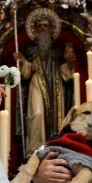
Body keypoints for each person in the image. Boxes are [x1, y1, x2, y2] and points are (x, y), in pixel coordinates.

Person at [14, 10, 76, 156]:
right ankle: (35, 151)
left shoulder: (57, 52)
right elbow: (27, 73)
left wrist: (70, 63)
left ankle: (56, 147)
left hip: (56, 90)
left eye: (45, 26)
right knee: (37, 114)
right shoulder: (30, 51)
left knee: (57, 119)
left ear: (51, 29)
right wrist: (21, 60)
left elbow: (66, 73)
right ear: (35, 30)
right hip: (36, 85)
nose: (43, 29)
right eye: (39, 26)